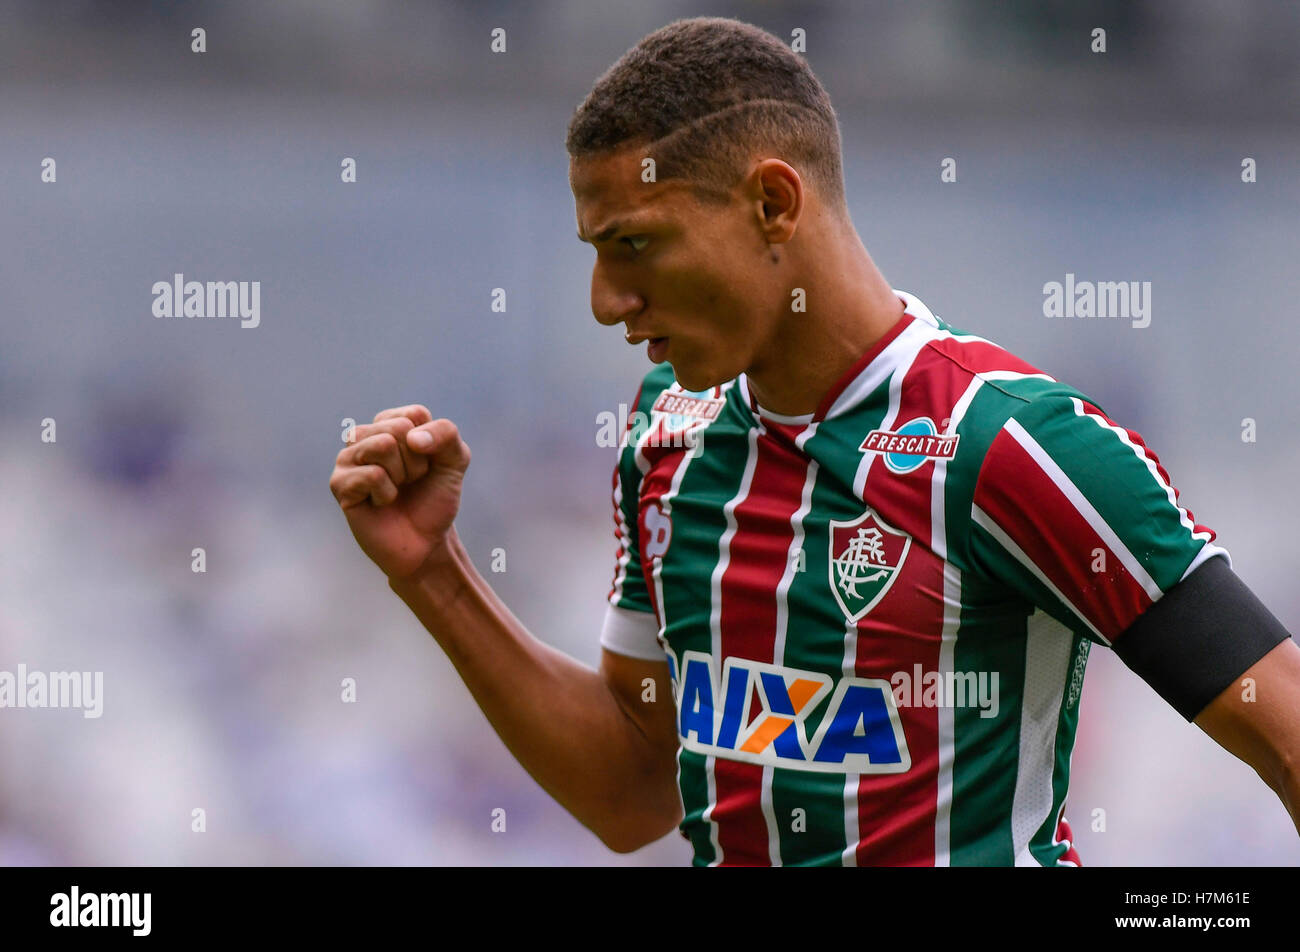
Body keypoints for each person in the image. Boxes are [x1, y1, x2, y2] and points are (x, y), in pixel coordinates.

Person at [328, 16, 1300, 865]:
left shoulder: (1011, 445)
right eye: (592, 253)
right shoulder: (670, 432)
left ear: (773, 204)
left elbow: (1286, 736)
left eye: (632, 245)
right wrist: (434, 574)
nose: (605, 302)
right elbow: (633, 789)